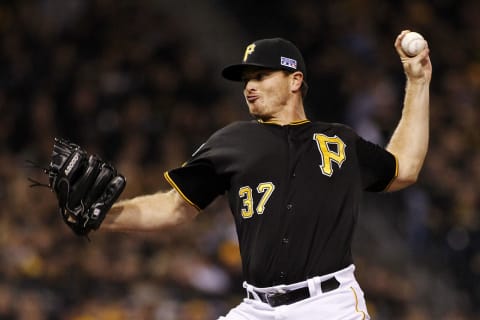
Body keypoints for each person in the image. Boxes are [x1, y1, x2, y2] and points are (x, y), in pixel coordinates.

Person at [102, 30, 431, 319]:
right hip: (257, 307)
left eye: (261, 76)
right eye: (246, 79)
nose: (249, 87)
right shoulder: (231, 142)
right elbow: (174, 207)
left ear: (295, 80)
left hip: (328, 305)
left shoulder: (338, 140)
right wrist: (103, 214)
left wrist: (418, 83)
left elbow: (404, 168)